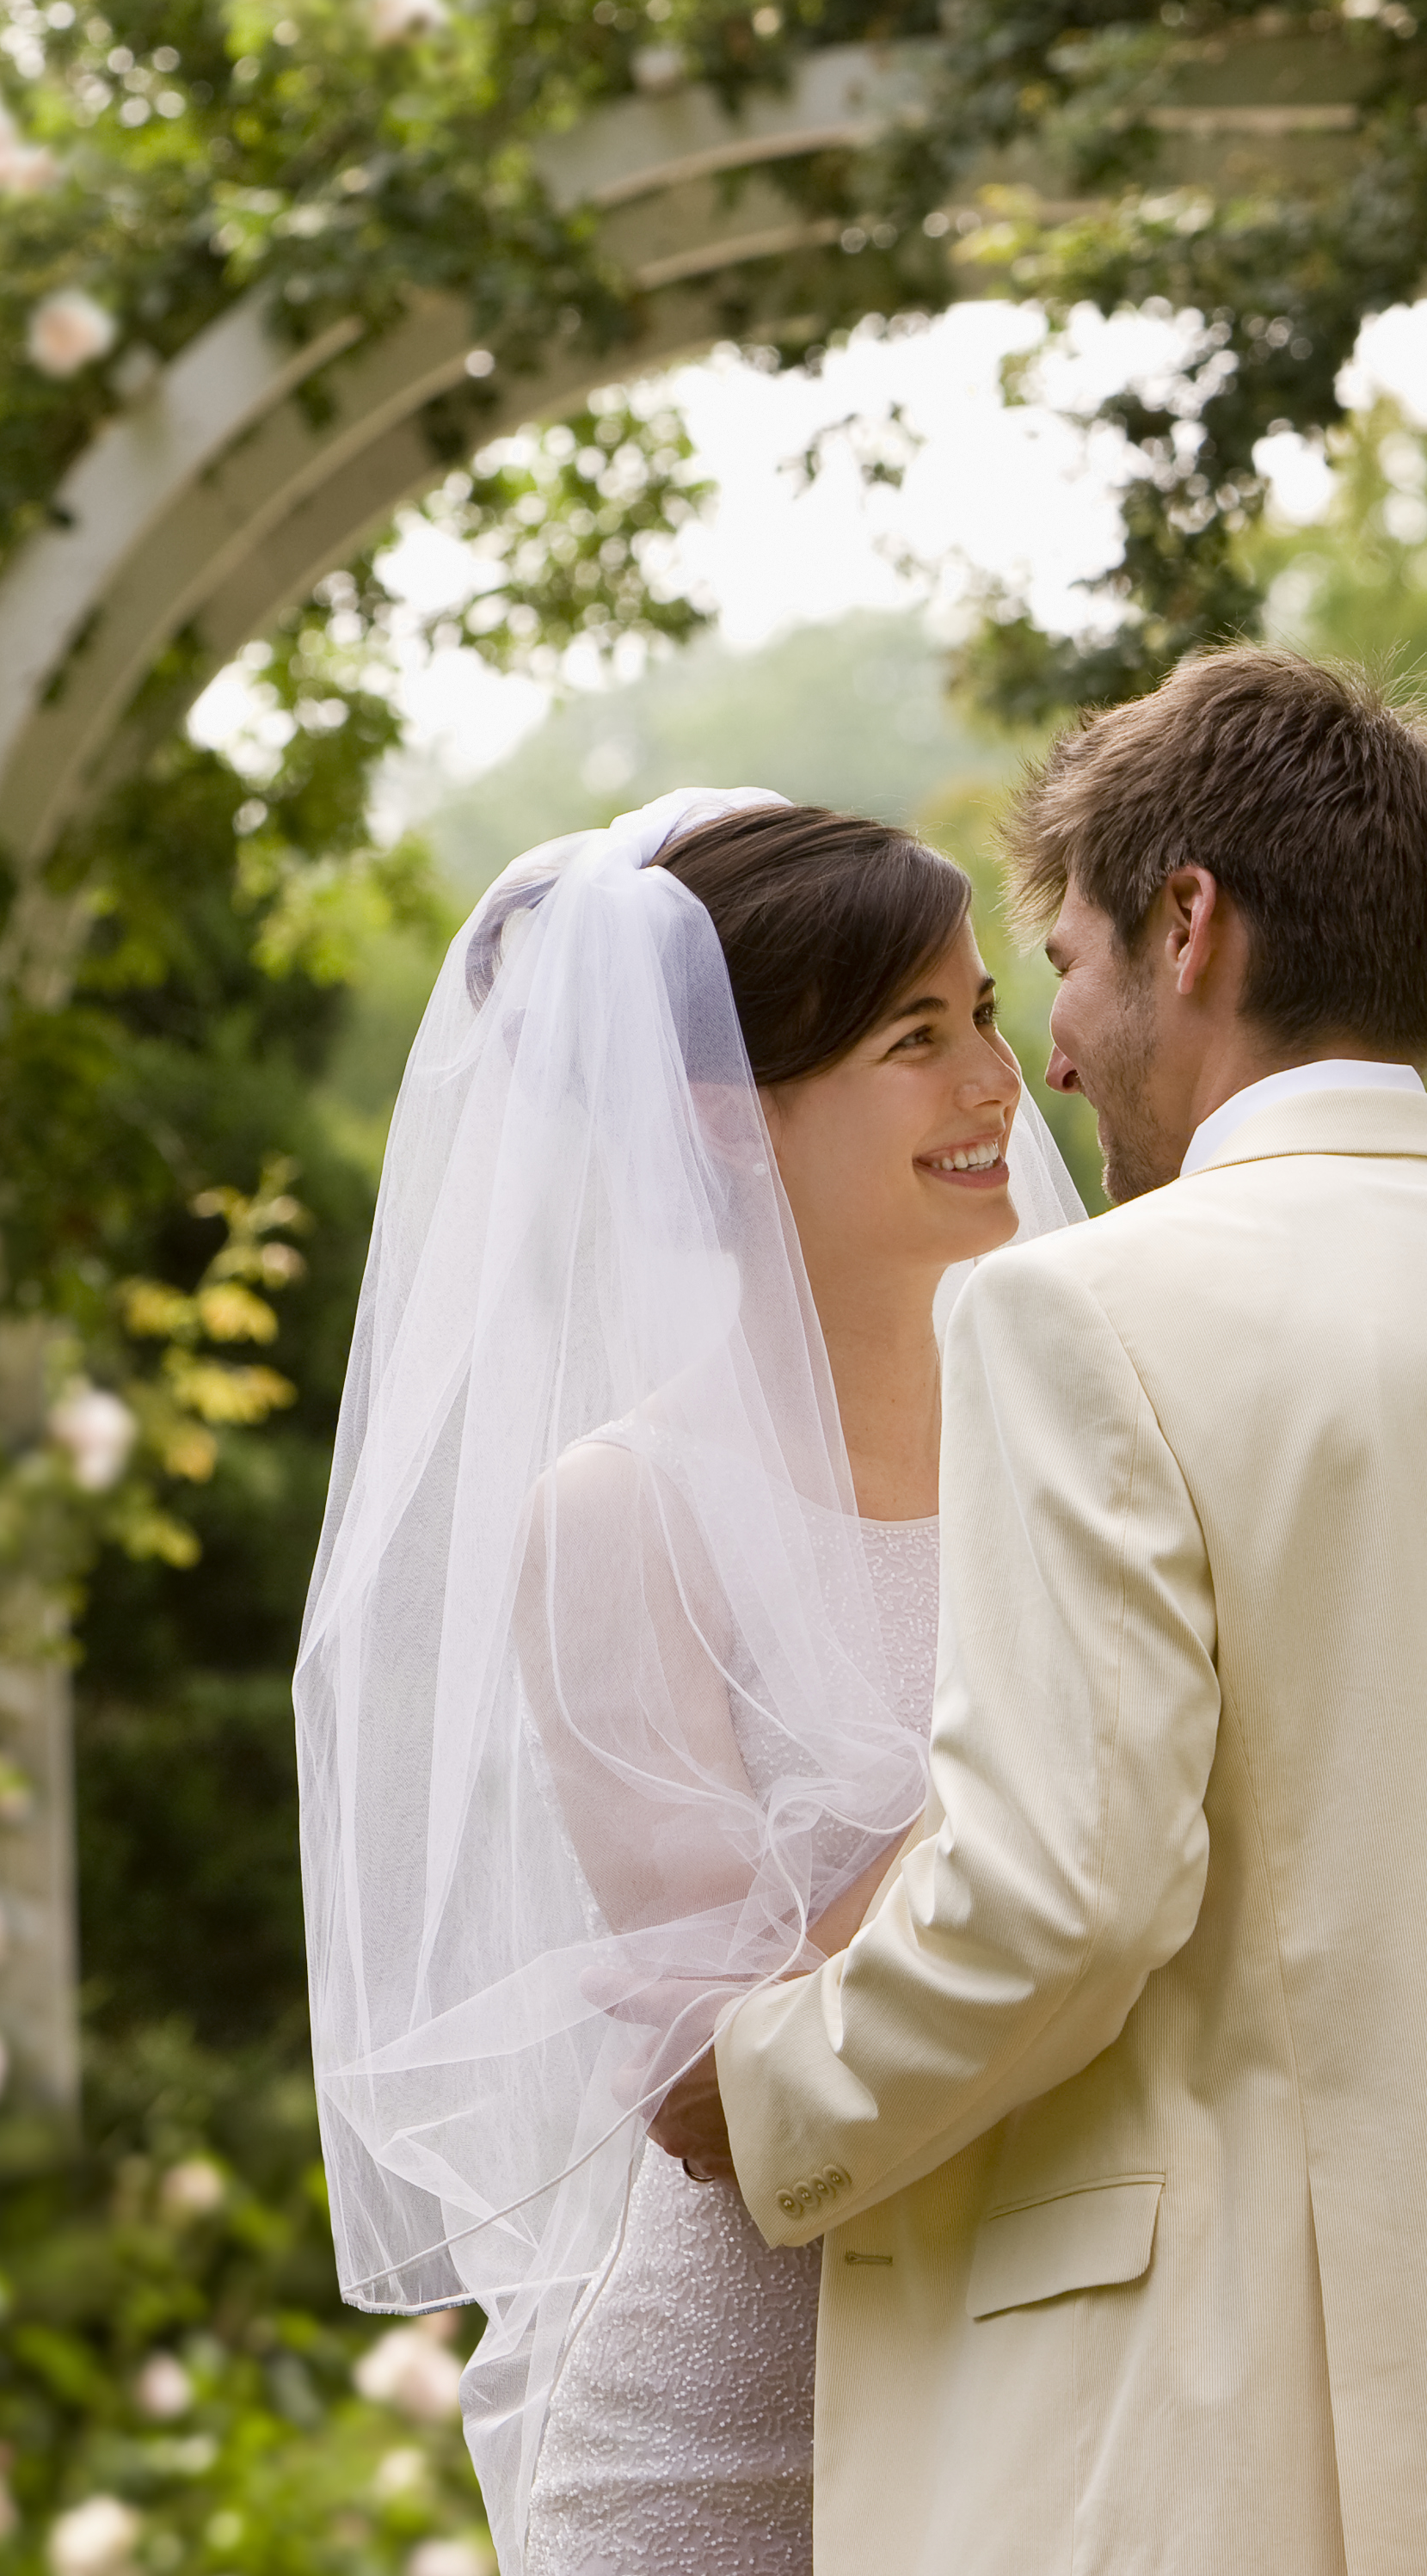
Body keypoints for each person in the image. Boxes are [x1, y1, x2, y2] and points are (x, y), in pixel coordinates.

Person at [662, 646, 1427, 2575]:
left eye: (1070, 968)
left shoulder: (1075, 1313)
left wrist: (759, 2091)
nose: (1056, 1062)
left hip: (1180, 2467)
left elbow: (1060, 1898)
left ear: (1192, 927)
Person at [296, 792, 1088, 2576]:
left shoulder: (1102, 1449)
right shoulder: (625, 1520)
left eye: (983, 1014)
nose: (997, 1084)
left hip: (1066, 2388)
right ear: (728, 1124)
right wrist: (1041, 1756)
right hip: (741, 2448)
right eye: (916, 1039)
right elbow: (705, 2078)